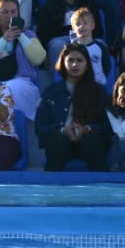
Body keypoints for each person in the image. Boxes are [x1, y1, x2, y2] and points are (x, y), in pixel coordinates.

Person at [37, 43, 112, 171]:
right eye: (70, 60)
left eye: (79, 60)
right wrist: (62, 130)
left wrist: (87, 129)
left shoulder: (98, 91)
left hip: (89, 141)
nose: (74, 64)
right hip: (61, 140)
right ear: (63, 63)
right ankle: (53, 188)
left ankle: (101, 187)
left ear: (87, 63)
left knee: (92, 141)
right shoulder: (51, 92)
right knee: (57, 141)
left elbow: (108, 126)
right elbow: (40, 127)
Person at [0, 0, 45, 120]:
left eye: (13, 12)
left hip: (22, 83)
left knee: (10, 88)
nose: (10, 16)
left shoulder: (28, 35)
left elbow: (38, 59)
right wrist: (4, 40)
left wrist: (20, 35)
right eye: (4, 12)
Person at [41, 0, 106, 66]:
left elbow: (98, 30)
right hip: (61, 39)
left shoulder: (89, 3)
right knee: (57, 45)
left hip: (85, 37)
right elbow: (43, 34)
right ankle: (59, 80)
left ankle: (94, 80)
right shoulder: (51, 5)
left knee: (100, 44)